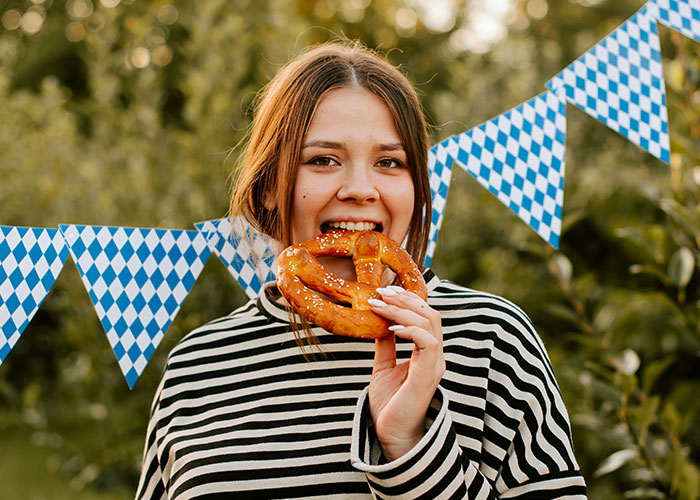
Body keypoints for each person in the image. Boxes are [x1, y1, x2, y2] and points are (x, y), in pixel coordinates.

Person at [136, 40, 587, 499]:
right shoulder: (197, 366)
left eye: (390, 162)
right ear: (270, 187)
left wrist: (409, 445)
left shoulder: (490, 340)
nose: (359, 189)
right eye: (323, 160)